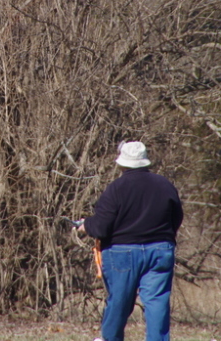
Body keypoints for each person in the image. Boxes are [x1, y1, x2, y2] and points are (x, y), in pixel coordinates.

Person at [79, 140, 183, 341]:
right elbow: (176, 217)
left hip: (121, 253)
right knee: (157, 302)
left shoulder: (116, 188)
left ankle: (110, 339)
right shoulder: (165, 185)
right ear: (146, 162)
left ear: (122, 164)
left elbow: (101, 227)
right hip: (160, 250)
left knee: (119, 301)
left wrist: (86, 225)